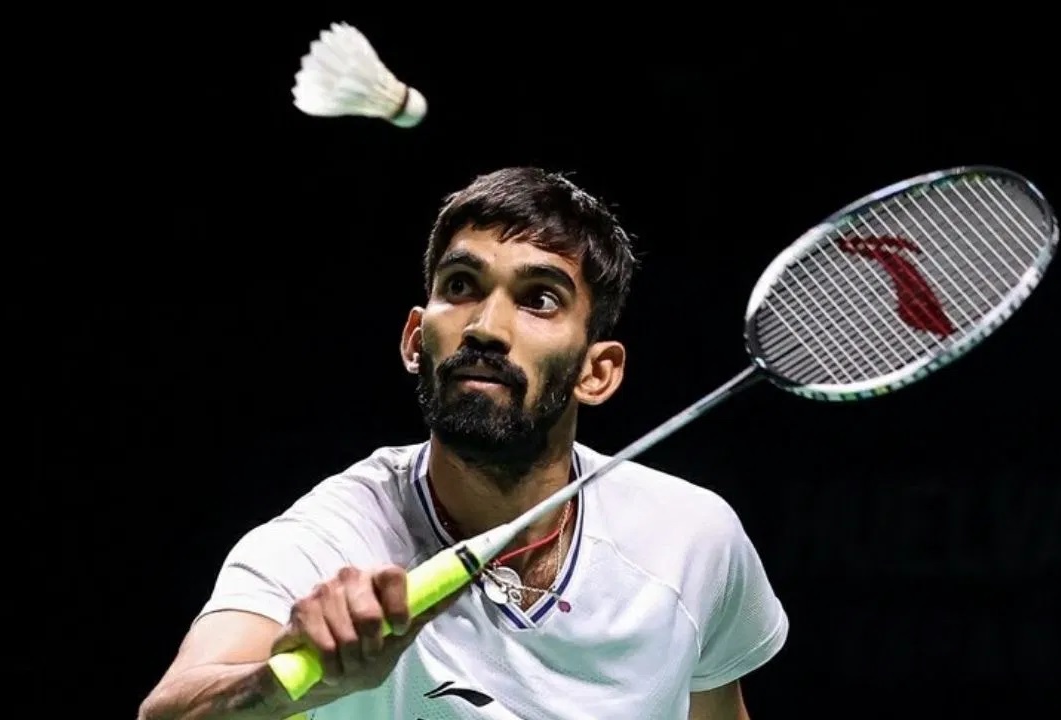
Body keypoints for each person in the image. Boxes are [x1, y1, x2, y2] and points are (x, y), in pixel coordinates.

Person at [137, 167, 789, 720]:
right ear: (415, 340)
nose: (485, 326)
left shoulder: (692, 539)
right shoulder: (337, 539)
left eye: (539, 299)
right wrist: (293, 679)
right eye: (460, 287)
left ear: (598, 371)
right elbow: (169, 708)